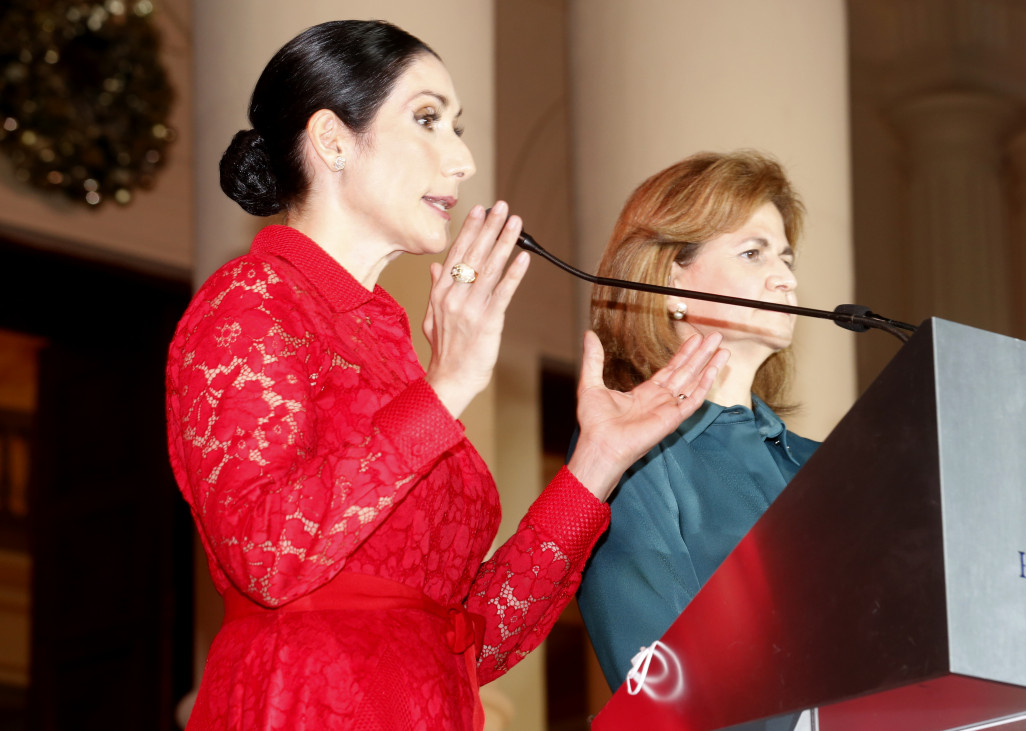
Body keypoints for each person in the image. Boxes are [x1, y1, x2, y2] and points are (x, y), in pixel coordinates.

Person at [165, 20, 725, 731]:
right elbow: (267, 556)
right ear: (333, 139)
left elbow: (471, 640)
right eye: (427, 119)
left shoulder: (389, 348)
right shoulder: (249, 300)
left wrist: (597, 462)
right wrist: (446, 386)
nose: (462, 160)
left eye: (456, 127)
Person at [577, 151, 820, 728]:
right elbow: (659, 676)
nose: (786, 278)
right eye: (753, 253)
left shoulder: (823, 465)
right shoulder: (631, 454)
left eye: (786, 256)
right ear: (670, 285)